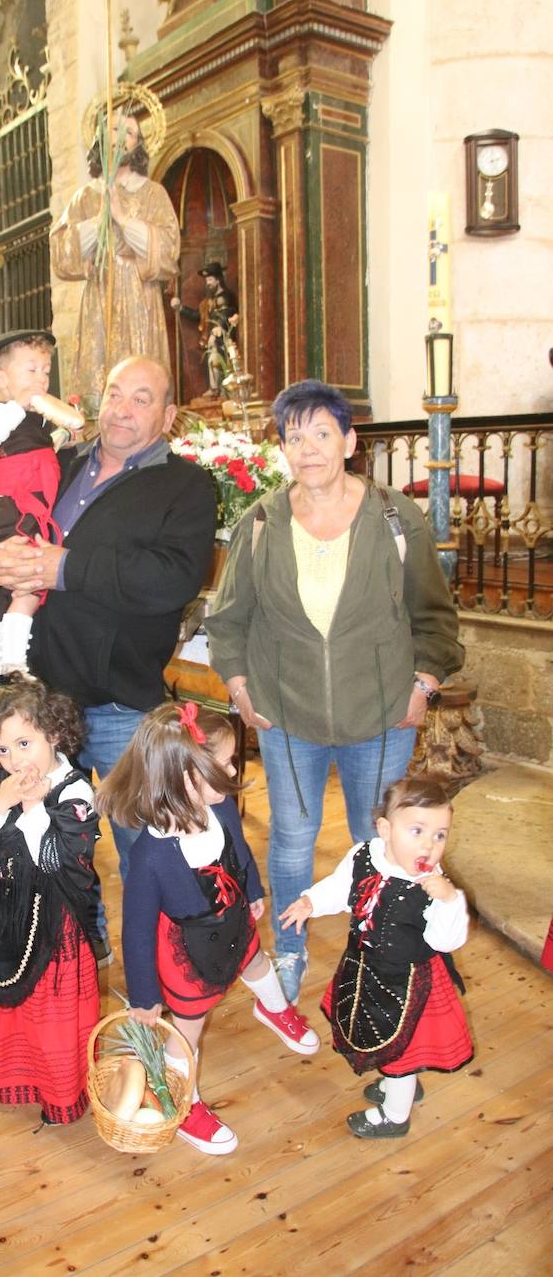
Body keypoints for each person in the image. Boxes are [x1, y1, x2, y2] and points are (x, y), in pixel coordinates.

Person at [204, 378, 464, 1005]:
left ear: (349, 441)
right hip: (285, 711)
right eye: (295, 437)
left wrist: (423, 684)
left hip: (379, 714)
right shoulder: (261, 521)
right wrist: (240, 688)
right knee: (292, 837)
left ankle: (374, 947)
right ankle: (290, 950)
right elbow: (228, 617)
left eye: (322, 433)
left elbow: (436, 617)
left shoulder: (395, 516)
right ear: (284, 448)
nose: (309, 448)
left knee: (377, 841)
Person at [0, 355, 217, 908]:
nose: (123, 410)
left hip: (119, 707)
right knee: (45, 849)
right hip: (35, 704)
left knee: (145, 848)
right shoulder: (52, 461)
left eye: (142, 399)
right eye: (115, 394)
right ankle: (74, 962)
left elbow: (171, 579)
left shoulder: (184, 487)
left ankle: (156, 974)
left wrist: (66, 568)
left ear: (169, 414)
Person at [97, 702, 319, 1157]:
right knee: (188, 1028)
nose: (234, 768)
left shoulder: (220, 810)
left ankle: (274, 1009)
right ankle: (182, 1102)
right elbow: (135, 932)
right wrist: (143, 996)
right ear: (186, 778)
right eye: (225, 763)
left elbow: (237, 851)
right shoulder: (150, 857)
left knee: (255, 959)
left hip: (233, 917)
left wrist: (253, 888)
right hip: (188, 948)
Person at [0, 673, 100, 1126]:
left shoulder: (76, 793)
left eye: (24, 744)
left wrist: (32, 808)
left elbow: (53, 860)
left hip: (49, 924)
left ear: (53, 733)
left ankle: (56, 1084)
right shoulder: (2, 783)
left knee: (44, 1012)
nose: (14, 759)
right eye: (3, 749)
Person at [281, 774, 472, 1138]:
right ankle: (400, 1085)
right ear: (385, 829)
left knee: (402, 1048)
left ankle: (394, 1117)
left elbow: (447, 940)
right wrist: (311, 901)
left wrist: (449, 900)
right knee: (378, 1033)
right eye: (417, 830)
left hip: (408, 982)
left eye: (440, 835)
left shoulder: (433, 884)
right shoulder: (364, 855)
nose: (429, 845)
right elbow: (341, 888)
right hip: (364, 968)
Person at [0, 329, 84, 697]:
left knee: (16, 588)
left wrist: (62, 435)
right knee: (30, 582)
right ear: (1, 378)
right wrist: (21, 404)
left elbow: (39, 450)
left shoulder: (32, 421)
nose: (42, 380)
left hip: (33, 509)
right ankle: (12, 665)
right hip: (11, 510)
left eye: (46, 372)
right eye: (31, 370)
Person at [50, 112, 180, 411]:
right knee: (98, 384)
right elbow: (61, 253)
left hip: (139, 298)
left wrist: (122, 219)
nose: (120, 138)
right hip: (99, 296)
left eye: (129, 133)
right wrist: (99, 222)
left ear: (137, 145)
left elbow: (169, 251)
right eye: (112, 131)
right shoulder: (85, 197)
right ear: (99, 140)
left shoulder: (152, 194)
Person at [170, 261, 240, 397]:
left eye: (210, 280)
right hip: (211, 340)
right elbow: (199, 316)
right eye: (207, 280)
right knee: (211, 361)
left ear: (218, 279)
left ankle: (218, 390)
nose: (207, 283)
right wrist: (181, 308)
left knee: (215, 361)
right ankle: (215, 389)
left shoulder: (225, 297)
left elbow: (225, 316)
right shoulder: (208, 301)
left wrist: (216, 332)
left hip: (223, 341)